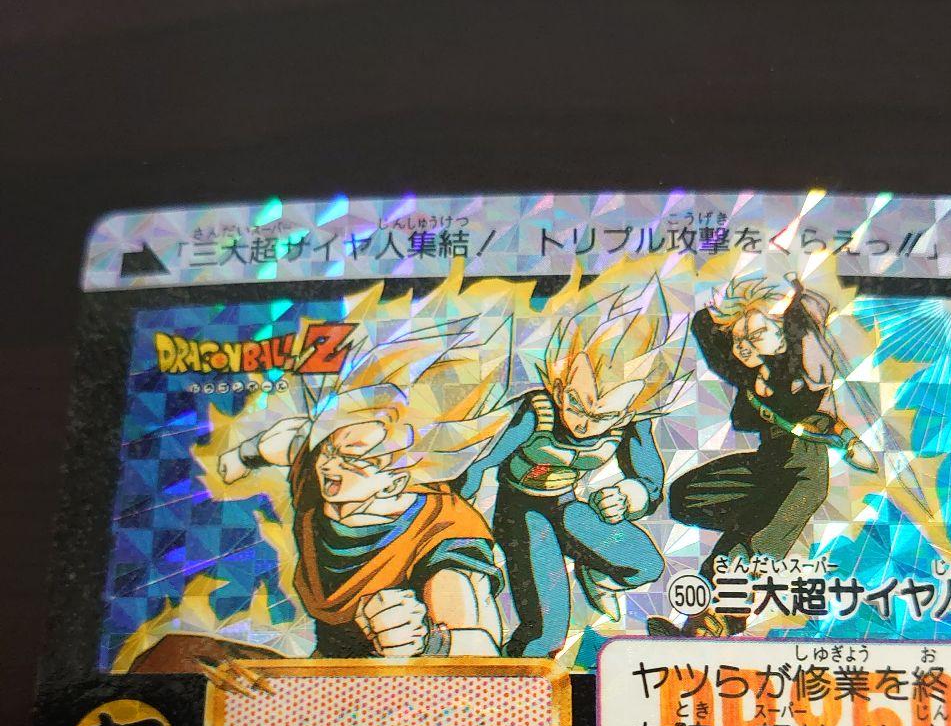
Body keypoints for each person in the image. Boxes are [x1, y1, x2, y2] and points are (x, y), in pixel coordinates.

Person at [214, 315, 516, 658]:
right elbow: (289, 439)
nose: (330, 465)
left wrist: (429, 641)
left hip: (404, 681)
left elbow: (483, 653)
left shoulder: (442, 537)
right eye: (330, 450)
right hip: (323, 672)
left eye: (353, 461)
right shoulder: (318, 471)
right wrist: (241, 457)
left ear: (394, 483)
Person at [456, 280, 689, 657]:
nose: (584, 424)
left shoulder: (630, 424)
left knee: (645, 565)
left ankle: (593, 570)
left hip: (567, 506)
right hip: (522, 514)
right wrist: (457, 521)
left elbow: (649, 481)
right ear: (560, 385)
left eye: (603, 416)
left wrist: (628, 496)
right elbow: (481, 461)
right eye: (576, 405)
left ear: (626, 411)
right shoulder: (538, 412)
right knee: (546, 634)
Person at [648, 275, 876, 638]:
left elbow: (810, 340)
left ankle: (710, 625)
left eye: (756, 336)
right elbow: (711, 340)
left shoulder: (806, 373)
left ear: (782, 336)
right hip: (768, 464)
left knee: (757, 541)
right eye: (740, 340)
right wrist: (713, 310)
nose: (743, 346)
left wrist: (797, 303)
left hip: (802, 467)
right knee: (686, 496)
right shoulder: (747, 372)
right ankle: (709, 621)